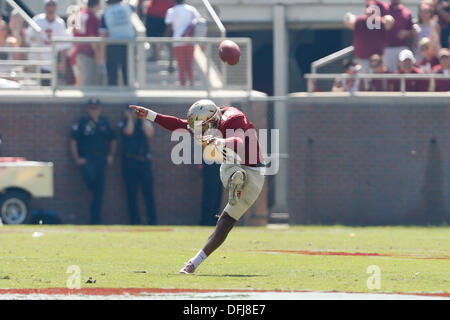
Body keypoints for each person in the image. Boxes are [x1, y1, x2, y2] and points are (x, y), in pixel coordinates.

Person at [129, 99, 265, 274]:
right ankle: (193, 263)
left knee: (225, 219)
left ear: (214, 120)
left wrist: (218, 141)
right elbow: (180, 124)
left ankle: (237, 181)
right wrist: (150, 115)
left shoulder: (233, 117)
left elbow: (240, 141)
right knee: (224, 220)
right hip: (232, 165)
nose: (201, 132)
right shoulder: (209, 120)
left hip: (254, 173)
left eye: (204, 128)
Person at [70, 98, 117, 224]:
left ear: (99, 109)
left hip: (101, 158)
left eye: (96, 108)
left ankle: (95, 220)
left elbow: (112, 139)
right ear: (88, 109)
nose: (94, 111)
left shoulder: (104, 122)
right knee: (90, 177)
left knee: (99, 192)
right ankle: (91, 186)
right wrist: (77, 158)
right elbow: (73, 140)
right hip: (87, 158)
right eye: (91, 108)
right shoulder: (82, 122)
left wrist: (111, 155)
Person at [118, 105, 157, 225]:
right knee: (132, 193)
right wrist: (130, 118)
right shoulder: (124, 123)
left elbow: (149, 133)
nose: (134, 113)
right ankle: (135, 221)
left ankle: (152, 221)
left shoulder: (143, 123)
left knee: (148, 192)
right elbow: (128, 132)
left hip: (144, 162)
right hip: (130, 162)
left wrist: (143, 118)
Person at [26, 0, 71, 86]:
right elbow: (28, 38)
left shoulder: (60, 23)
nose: (51, 7)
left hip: (50, 62)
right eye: (49, 5)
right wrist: (38, 38)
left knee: (47, 87)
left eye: (53, 5)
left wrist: (63, 62)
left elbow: (63, 45)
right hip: (36, 60)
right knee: (33, 87)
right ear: (45, 6)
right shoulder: (37, 20)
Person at [344, 5, 394, 74]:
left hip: (377, 60)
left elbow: (389, 22)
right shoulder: (359, 21)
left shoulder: (380, 22)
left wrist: (386, 18)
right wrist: (348, 16)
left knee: (377, 81)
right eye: (368, 13)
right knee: (364, 80)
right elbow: (349, 22)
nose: (370, 16)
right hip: (362, 59)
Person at [164, 0, 201, 86]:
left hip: (177, 41)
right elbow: (198, 22)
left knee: (181, 65)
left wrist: (164, 40)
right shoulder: (191, 9)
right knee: (189, 64)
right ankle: (191, 83)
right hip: (190, 40)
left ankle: (182, 84)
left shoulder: (172, 10)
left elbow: (169, 27)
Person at [100, 0, 136, 86]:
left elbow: (103, 34)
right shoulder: (129, 8)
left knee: (112, 73)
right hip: (128, 44)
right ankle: (130, 96)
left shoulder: (106, 13)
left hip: (113, 44)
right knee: (128, 73)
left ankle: (113, 96)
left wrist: (102, 52)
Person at [73, 0, 104, 86]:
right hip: (88, 54)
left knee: (84, 82)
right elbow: (92, 37)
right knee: (89, 83)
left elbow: (76, 32)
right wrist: (98, 54)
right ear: (97, 5)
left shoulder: (80, 14)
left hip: (78, 51)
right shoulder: (91, 16)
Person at [383, 0, 415, 72]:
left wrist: (406, 33)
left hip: (402, 48)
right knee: (389, 73)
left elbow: (412, 31)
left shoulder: (406, 12)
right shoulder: (383, 10)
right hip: (388, 48)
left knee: (404, 71)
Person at [200, 162, 223, 226]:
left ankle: (214, 218)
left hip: (220, 164)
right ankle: (207, 219)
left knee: (218, 192)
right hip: (210, 163)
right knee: (209, 192)